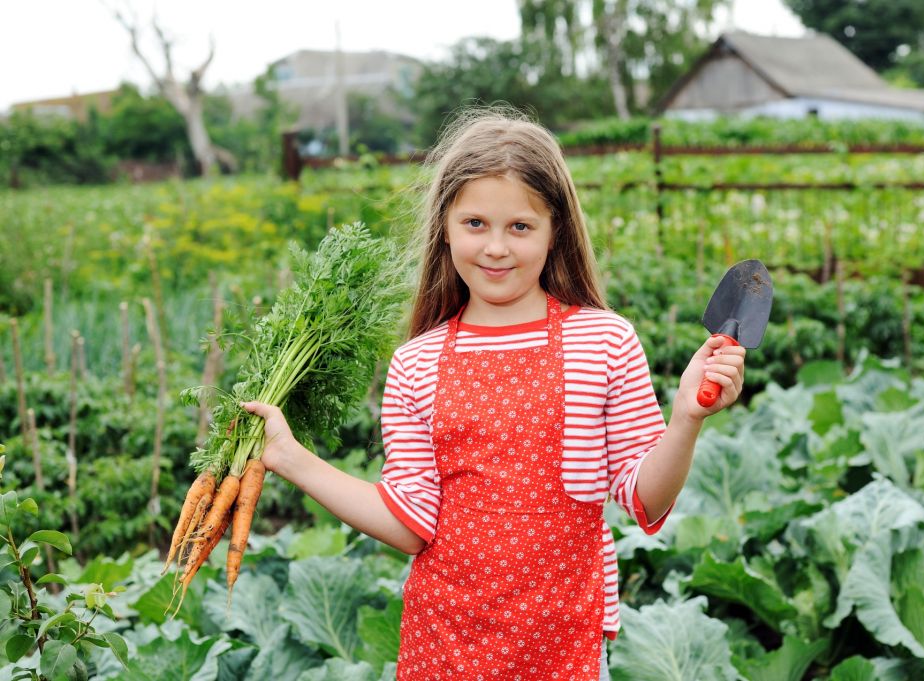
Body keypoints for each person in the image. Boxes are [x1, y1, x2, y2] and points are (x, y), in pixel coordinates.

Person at [242, 109, 746, 681]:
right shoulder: (417, 362)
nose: (496, 248)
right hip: (445, 642)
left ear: (556, 230)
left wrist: (685, 419)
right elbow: (409, 522)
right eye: (475, 223)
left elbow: (644, 500)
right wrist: (290, 459)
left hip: (564, 640)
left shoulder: (603, 340)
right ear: (446, 228)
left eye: (520, 227)